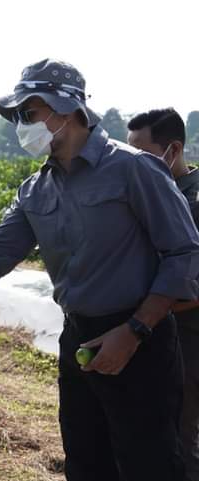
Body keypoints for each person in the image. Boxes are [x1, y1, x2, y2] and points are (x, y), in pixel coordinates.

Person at [0, 59, 199, 481]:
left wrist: (135, 330)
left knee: (149, 463)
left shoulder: (133, 169)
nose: (21, 126)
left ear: (65, 111)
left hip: (140, 340)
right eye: (17, 117)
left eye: (28, 114)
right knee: (86, 462)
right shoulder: (35, 190)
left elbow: (183, 253)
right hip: (78, 338)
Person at [128, 108, 199, 481]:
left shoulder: (194, 201)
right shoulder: (142, 194)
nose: (134, 163)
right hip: (146, 331)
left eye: (142, 153)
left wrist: (148, 312)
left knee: (180, 434)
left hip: (186, 337)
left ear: (173, 149)